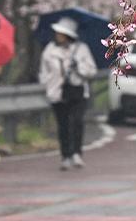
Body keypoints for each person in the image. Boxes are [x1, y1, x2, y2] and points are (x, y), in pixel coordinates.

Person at [39, 18, 98, 170]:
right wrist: (48, 85)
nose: (58, 35)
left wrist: (79, 68)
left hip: (77, 90)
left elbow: (91, 70)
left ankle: (77, 153)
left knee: (77, 121)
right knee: (63, 124)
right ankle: (65, 155)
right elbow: (44, 72)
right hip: (57, 92)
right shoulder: (49, 50)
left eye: (61, 33)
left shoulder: (81, 49)